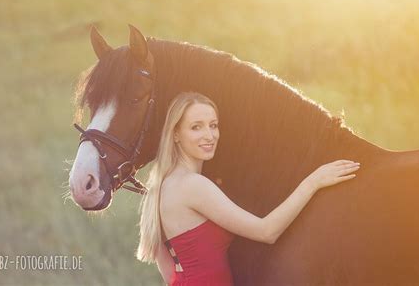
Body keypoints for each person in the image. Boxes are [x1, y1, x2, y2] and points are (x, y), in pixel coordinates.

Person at [136, 92, 360, 285]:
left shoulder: (162, 187)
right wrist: (314, 181)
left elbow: (170, 275)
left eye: (213, 125)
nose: (209, 135)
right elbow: (266, 231)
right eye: (196, 127)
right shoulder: (193, 185)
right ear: (175, 134)